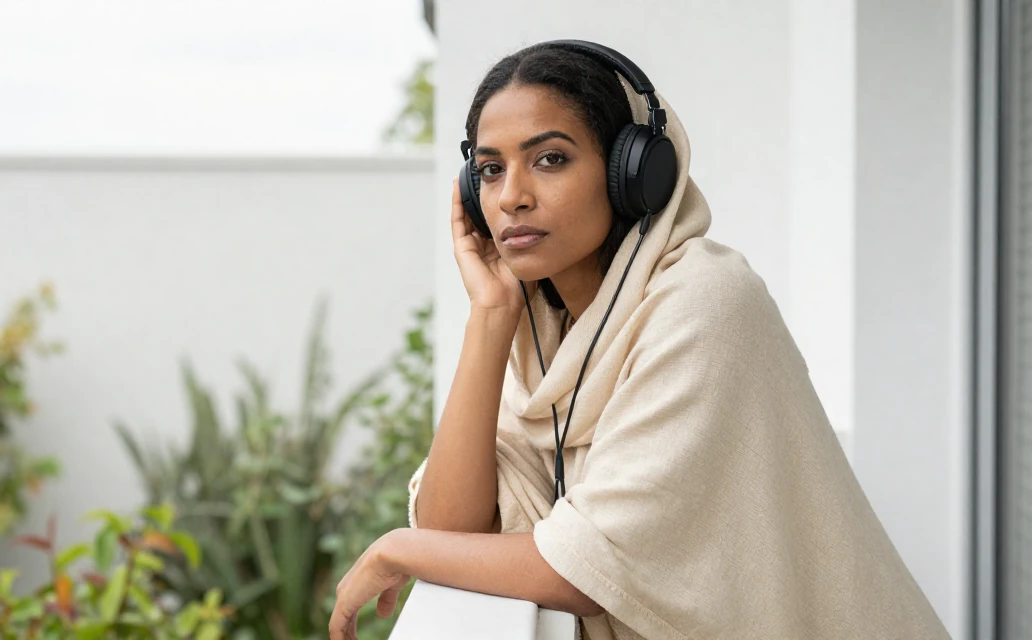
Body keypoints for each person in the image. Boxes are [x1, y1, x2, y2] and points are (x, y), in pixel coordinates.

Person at [329, 39, 951, 640]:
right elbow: (452, 525)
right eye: (490, 171)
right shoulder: (548, 335)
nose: (512, 197)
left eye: (550, 159)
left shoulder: (705, 300)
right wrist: (490, 316)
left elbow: (584, 571)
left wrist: (397, 549)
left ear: (632, 173)